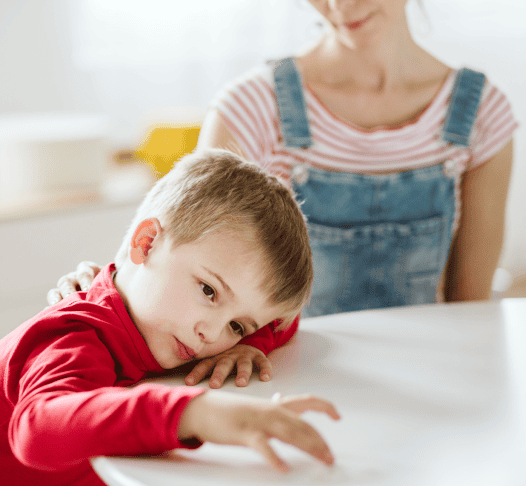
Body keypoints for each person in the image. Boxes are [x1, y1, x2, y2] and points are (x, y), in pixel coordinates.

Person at [48, 0, 517, 390]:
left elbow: (468, 313)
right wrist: (98, 286)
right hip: (283, 384)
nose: (340, 6)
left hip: (423, 382)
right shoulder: (253, 107)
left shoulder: (481, 114)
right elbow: (163, 266)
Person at [0, 149, 341, 486]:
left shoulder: (163, 323)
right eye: (209, 292)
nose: (211, 334)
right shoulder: (78, 334)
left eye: (236, 325)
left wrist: (250, 340)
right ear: (147, 243)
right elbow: (39, 429)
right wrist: (198, 413)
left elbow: (284, 319)